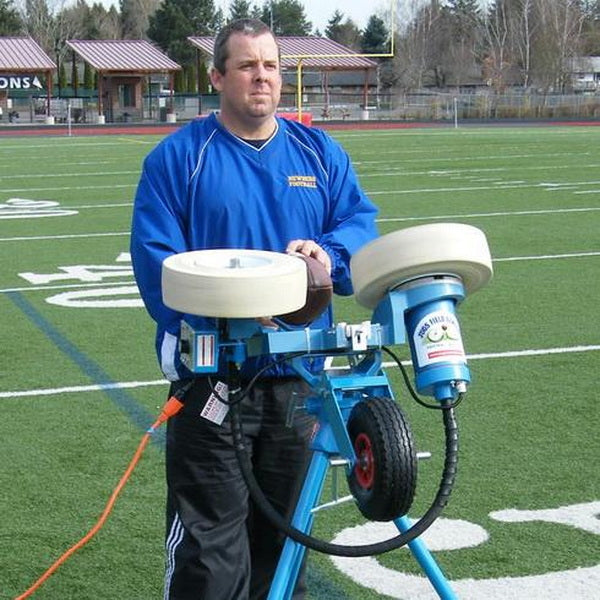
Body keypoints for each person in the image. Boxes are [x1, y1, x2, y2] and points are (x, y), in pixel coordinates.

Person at [130, 18, 378, 600]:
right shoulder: (178, 160)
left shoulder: (319, 153)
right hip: (214, 383)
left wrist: (329, 254)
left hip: (298, 382)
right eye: (246, 65)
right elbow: (156, 264)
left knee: (283, 548)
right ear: (217, 76)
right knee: (209, 556)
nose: (261, 77)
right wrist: (230, 308)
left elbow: (359, 224)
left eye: (270, 65)